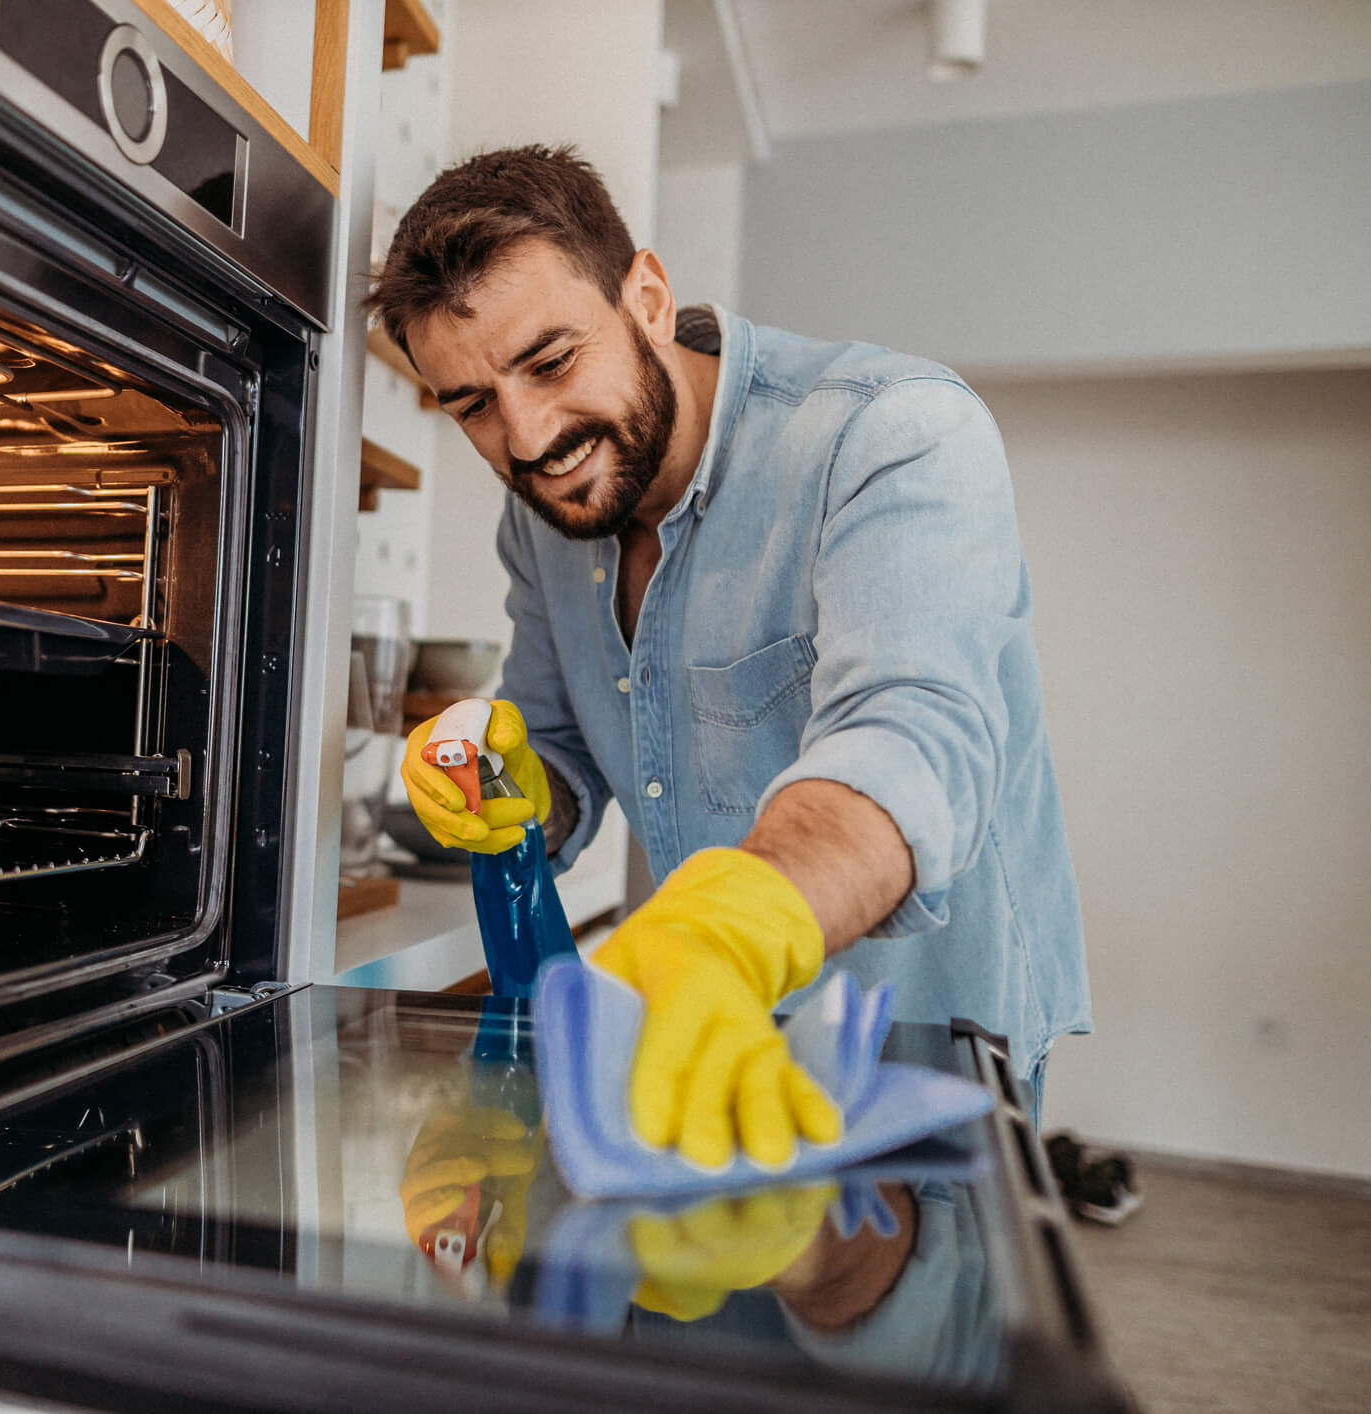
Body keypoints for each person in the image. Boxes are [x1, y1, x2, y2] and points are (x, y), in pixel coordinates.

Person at [372, 145, 1089, 1167]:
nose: (526, 436)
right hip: (693, 1044)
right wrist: (509, 781)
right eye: (472, 404)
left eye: (551, 361)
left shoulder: (891, 435)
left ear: (649, 299)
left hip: (913, 1043)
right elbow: (562, 745)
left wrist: (730, 927)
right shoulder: (541, 521)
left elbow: (913, 736)